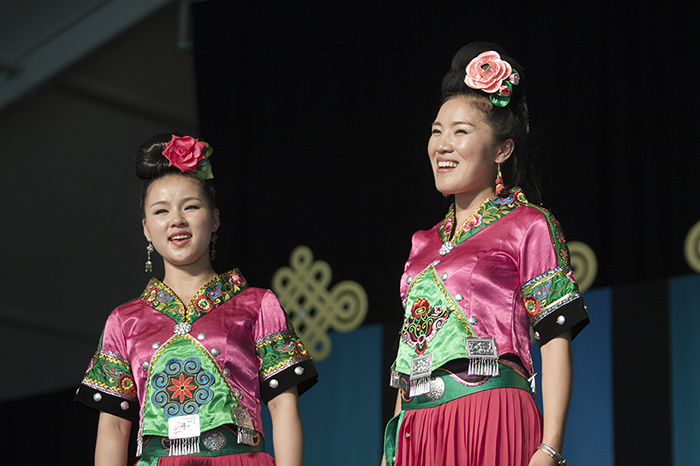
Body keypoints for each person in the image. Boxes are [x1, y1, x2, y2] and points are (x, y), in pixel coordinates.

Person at [383, 43, 589, 466]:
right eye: (437, 130)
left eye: (460, 131)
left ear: (502, 149)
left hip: (489, 414)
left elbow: (554, 339)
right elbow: (412, 352)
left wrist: (550, 447)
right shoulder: (422, 243)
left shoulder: (528, 225)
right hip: (418, 429)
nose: (443, 144)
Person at [75, 134, 318, 466]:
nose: (177, 220)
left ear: (215, 218)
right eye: (162, 211)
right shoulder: (124, 321)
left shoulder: (257, 304)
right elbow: (114, 427)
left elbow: (283, 407)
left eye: (190, 206)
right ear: (146, 229)